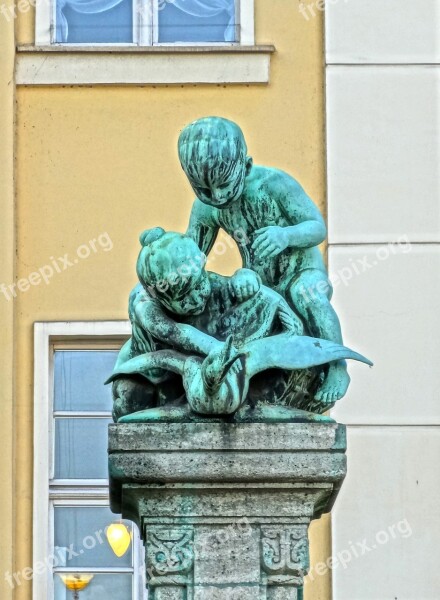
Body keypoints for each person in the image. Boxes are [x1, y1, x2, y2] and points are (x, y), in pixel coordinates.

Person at [179, 116, 349, 406]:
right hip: (260, 281)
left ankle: (337, 366)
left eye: (224, 185)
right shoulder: (206, 207)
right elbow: (193, 255)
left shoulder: (275, 184)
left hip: (302, 272)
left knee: (307, 296)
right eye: (204, 190)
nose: (217, 196)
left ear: (245, 166)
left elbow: (317, 227)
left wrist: (285, 236)